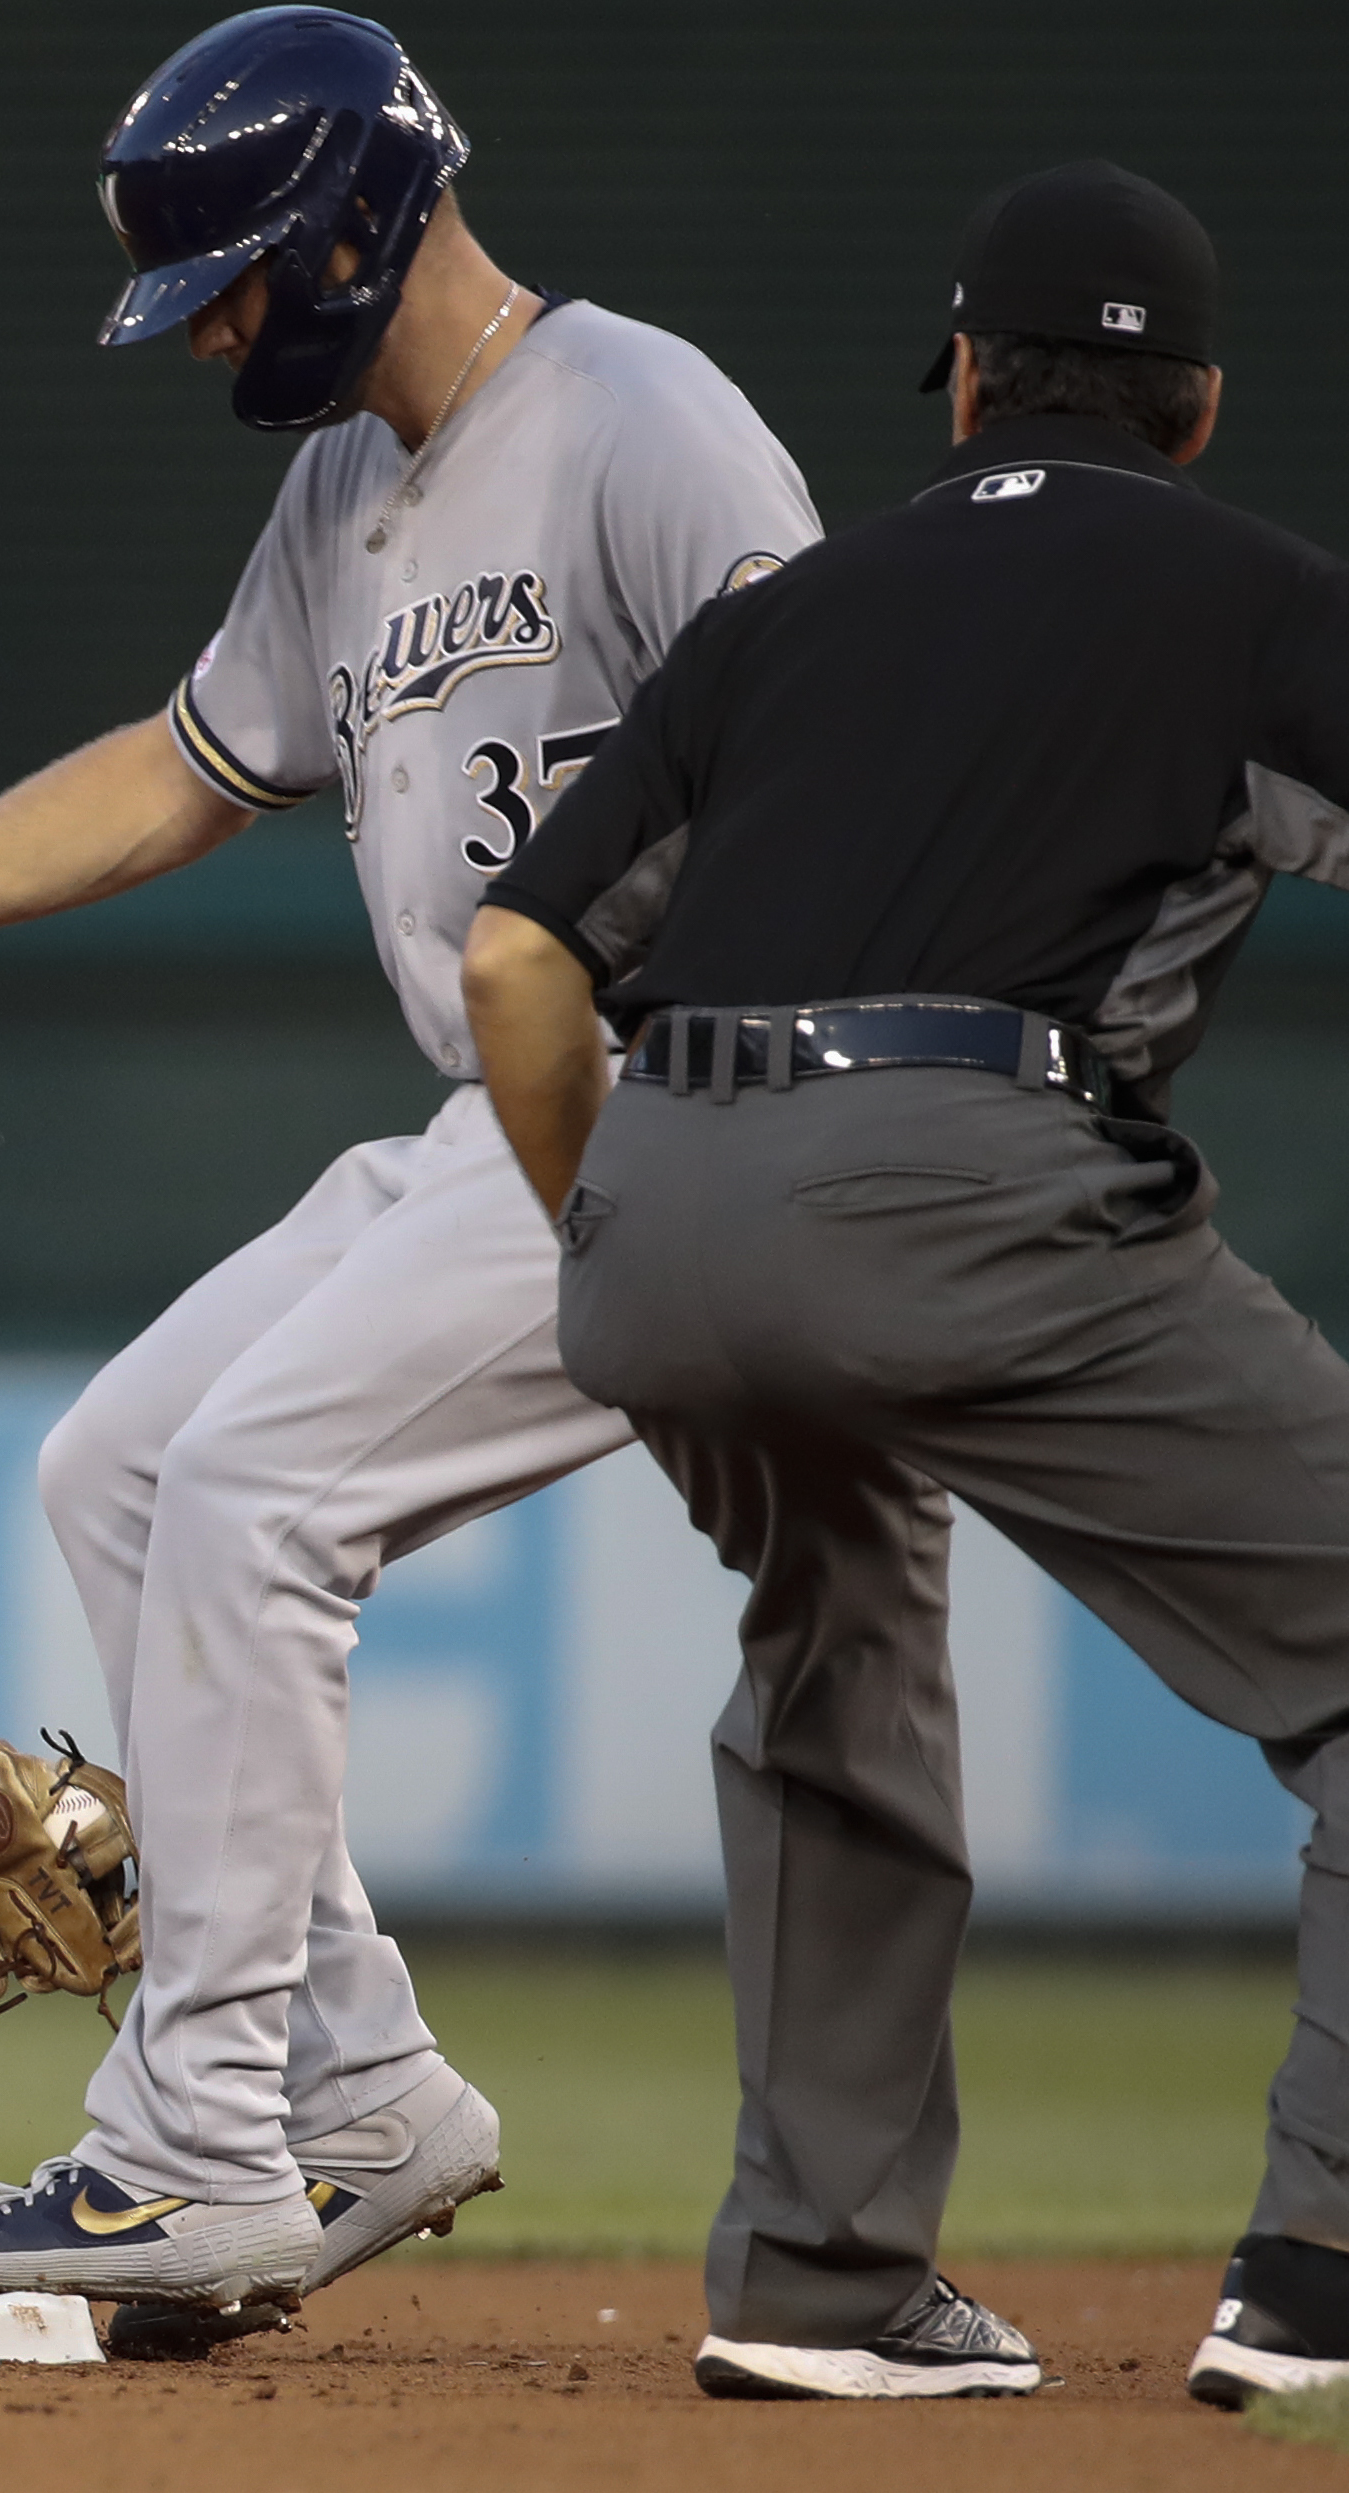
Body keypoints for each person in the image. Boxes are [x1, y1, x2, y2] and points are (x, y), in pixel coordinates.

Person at [0, 5, 817, 2339]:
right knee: (122, 1467)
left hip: (680, 1087)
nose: (213, 335)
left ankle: (190, 2148)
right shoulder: (345, 490)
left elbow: (826, 745)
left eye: (235, 281)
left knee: (254, 1495)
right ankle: (361, 2093)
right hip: (498, 1105)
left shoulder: (636, 413)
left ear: (360, 219)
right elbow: (180, 772)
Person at [468, 161, 1349, 2407]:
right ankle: (1323, 2276)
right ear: (1198, 407)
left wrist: (626, 1238)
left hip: (658, 1207)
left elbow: (516, 960)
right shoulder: (1258, 600)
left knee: (835, 1658)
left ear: (962, 381)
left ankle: (821, 2281)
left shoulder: (781, 617)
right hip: (970, 1172)